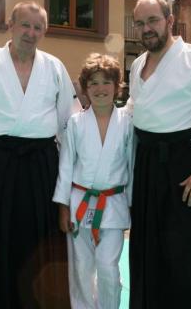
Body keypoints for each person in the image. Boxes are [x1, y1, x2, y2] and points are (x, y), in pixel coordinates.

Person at [0, 1, 79, 309]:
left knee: (44, 242)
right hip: (1, 164)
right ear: (10, 25)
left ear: (45, 32)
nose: (31, 32)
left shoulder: (54, 67)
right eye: (25, 25)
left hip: (43, 165)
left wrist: (75, 181)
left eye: (38, 27)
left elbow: (70, 124)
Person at [126, 0, 191, 309]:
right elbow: (133, 112)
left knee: (189, 252)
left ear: (170, 21)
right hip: (146, 166)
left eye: (153, 21)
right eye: (140, 23)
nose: (146, 29)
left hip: (185, 167)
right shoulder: (136, 65)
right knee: (149, 247)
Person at [53, 53, 134, 309]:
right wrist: (62, 206)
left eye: (106, 82)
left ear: (117, 86)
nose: (100, 89)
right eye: (94, 83)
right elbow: (65, 165)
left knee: (108, 268)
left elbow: (132, 167)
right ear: (85, 89)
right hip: (79, 204)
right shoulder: (76, 124)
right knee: (82, 267)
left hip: (114, 204)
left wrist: (132, 206)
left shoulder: (128, 123)